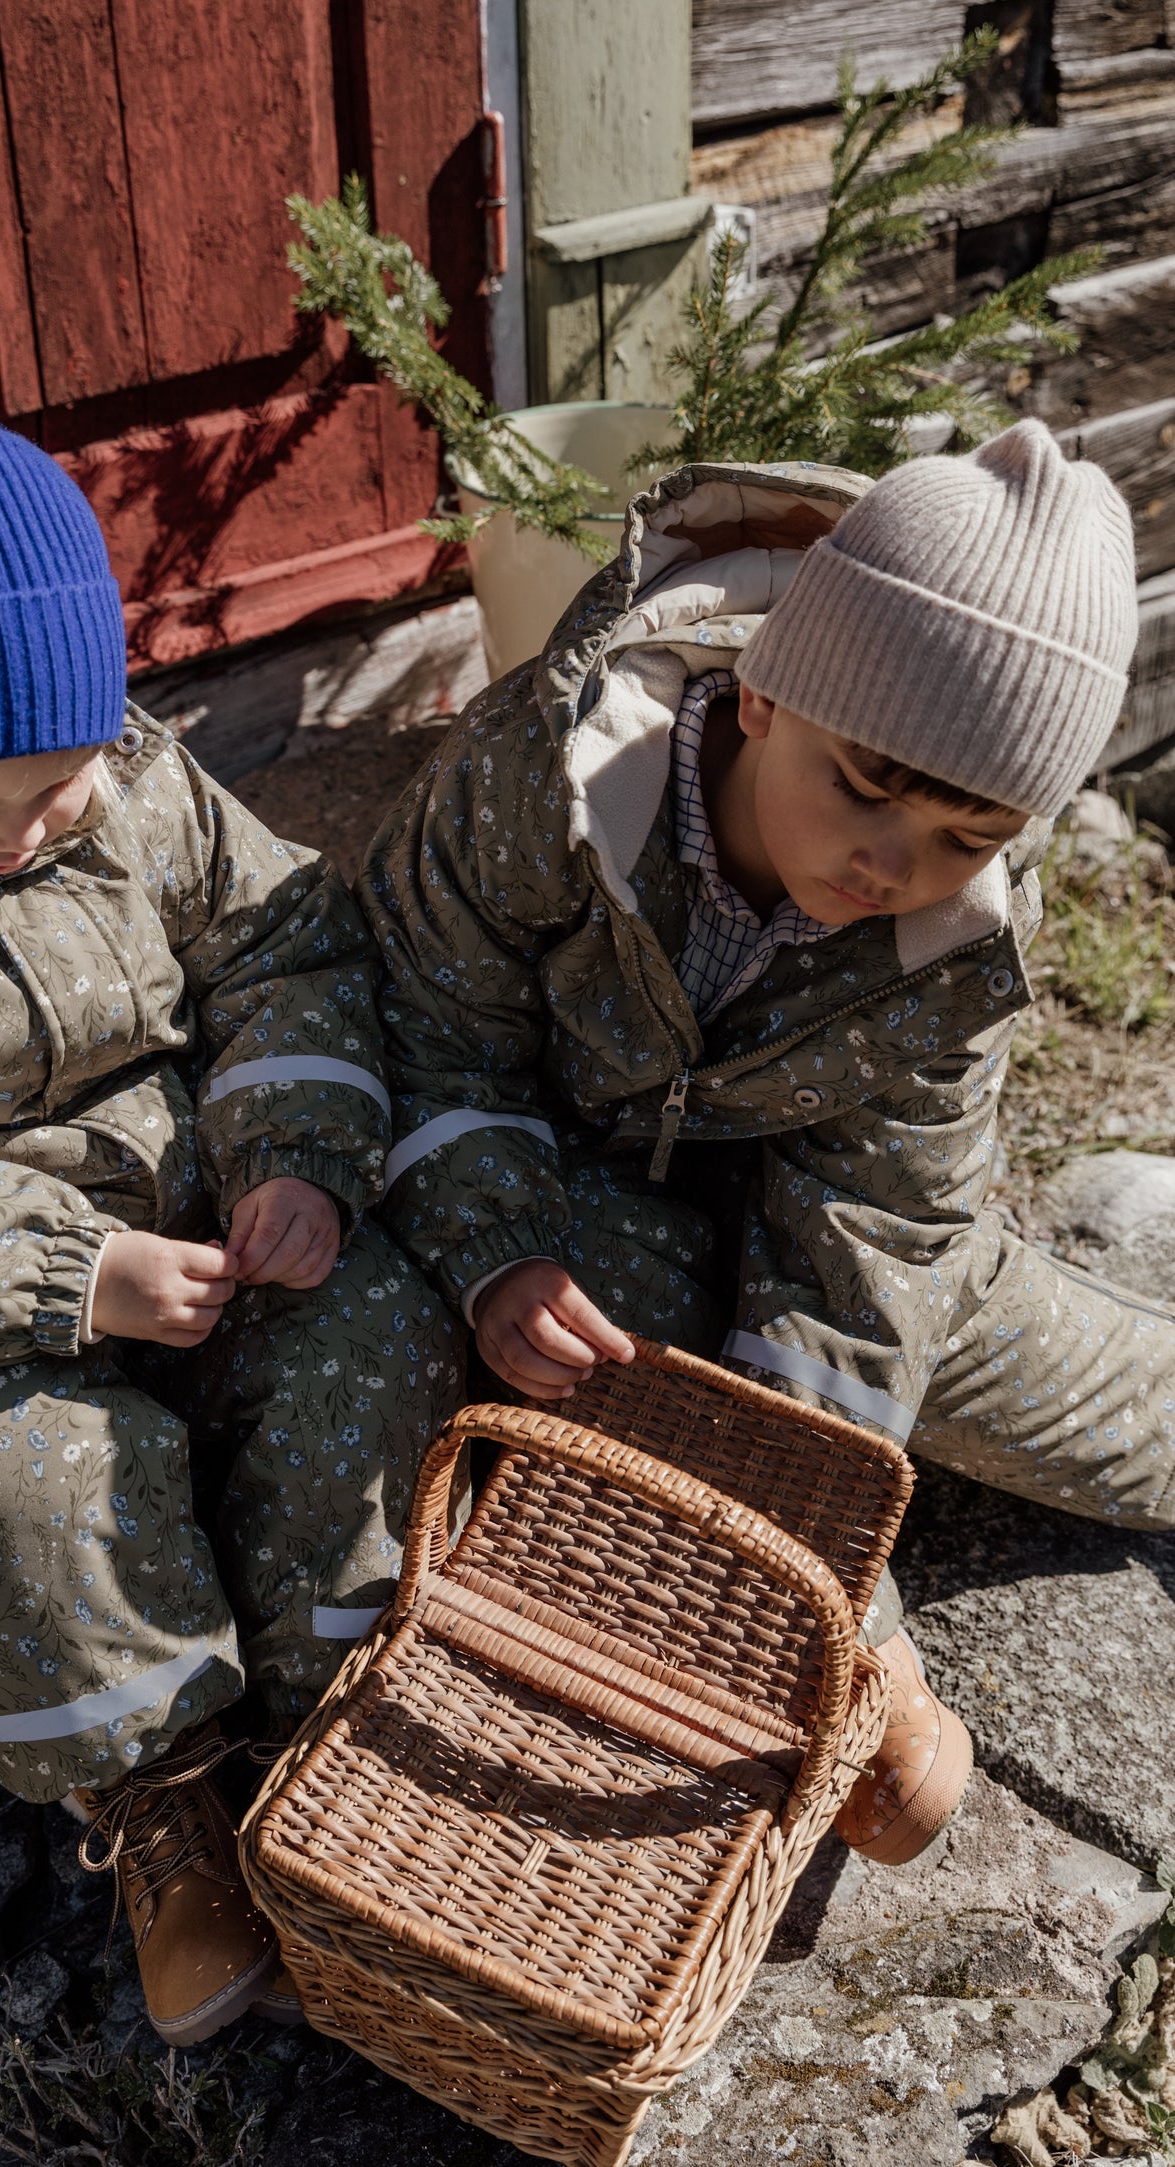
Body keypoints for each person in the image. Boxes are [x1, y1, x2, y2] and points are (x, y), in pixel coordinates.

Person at [0, 387, 457, 2042]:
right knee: (28, 1484)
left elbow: (284, 945)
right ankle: (164, 1798)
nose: (23, 831)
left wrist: (290, 1157)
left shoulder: (137, 787)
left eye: (51, 786)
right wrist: (64, 1275)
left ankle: (340, 1707)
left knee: (368, 1335)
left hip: (195, 1225)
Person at [361, 418, 1172, 1866]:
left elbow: (886, 1228)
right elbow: (428, 1020)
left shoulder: (955, 938)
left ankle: (842, 1616)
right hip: (580, 1207)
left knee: (1111, 1421)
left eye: (963, 833)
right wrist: (490, 1246)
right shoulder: (542, 779)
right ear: (759, 699)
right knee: (614, 1372)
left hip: (825, 1219)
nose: (890, 863)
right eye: (863, 786)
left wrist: (799, 1474)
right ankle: (858, 1674)